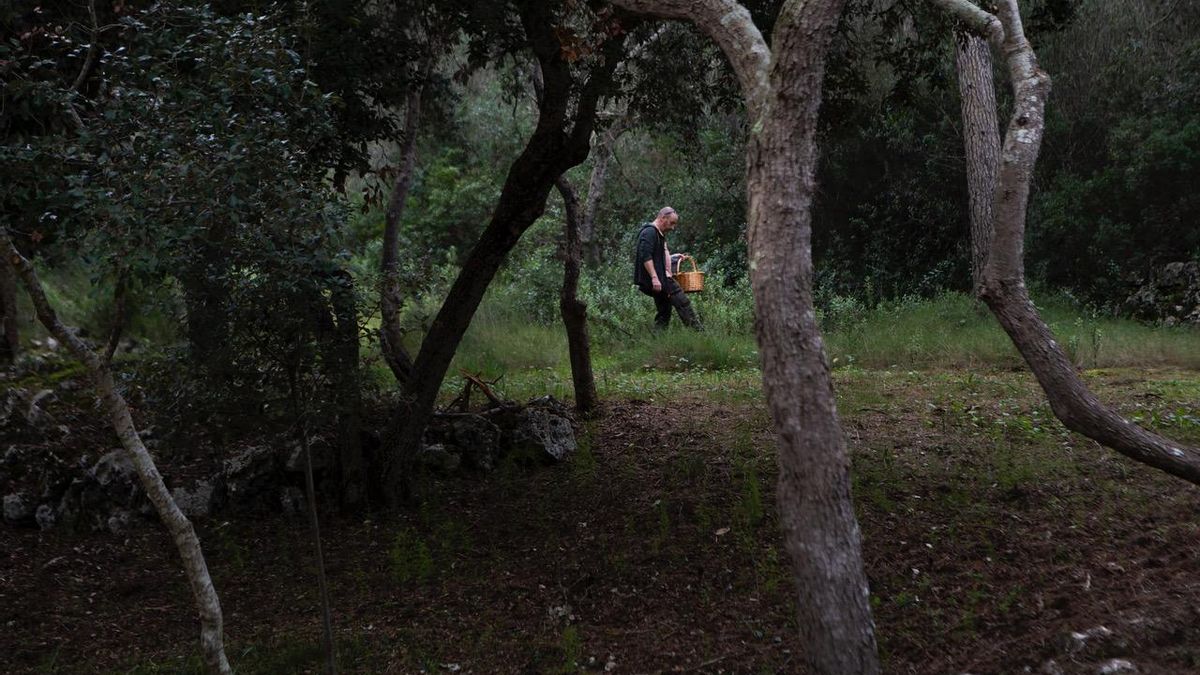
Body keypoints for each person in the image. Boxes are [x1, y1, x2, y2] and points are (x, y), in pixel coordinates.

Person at [632, 206, 702, 330]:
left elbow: (658, 257)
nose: (673, 227)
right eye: (671, 223)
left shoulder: (658, 234)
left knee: (664, 310)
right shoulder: (649, 232)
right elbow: (646, 257)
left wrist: (673, 257)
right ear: (663, 218)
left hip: (659, 277)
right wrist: (654, 278)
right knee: (682, 301)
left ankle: (658, 337)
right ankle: (698, 332)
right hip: (658, 278)